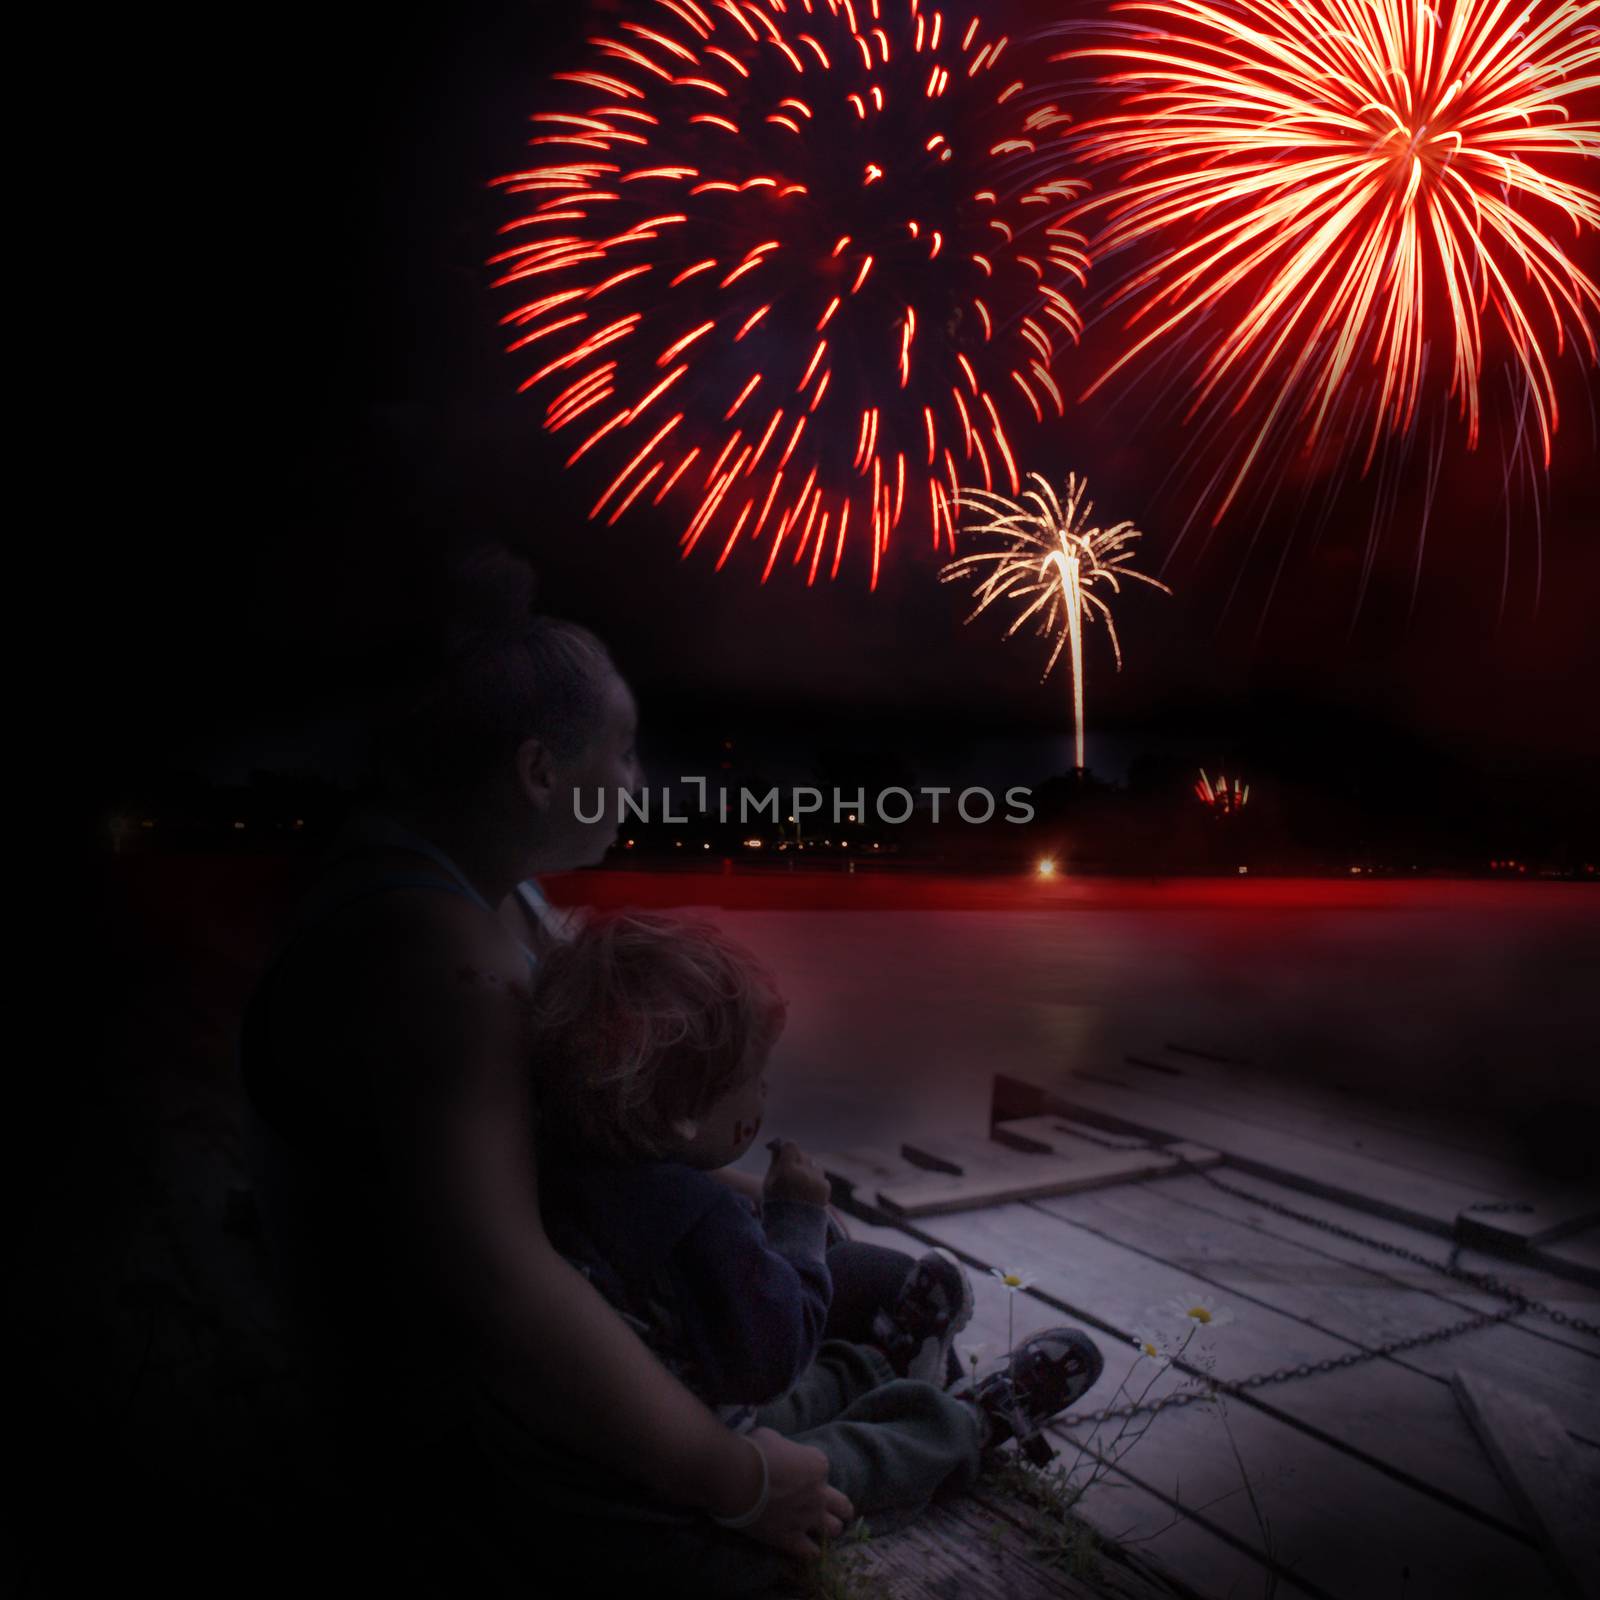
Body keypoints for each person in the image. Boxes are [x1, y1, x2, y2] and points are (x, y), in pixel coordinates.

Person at [238, 550, 851, 1587]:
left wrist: (752, 1199)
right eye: (619, 754)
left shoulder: (493, 897)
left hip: (541, 1320)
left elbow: (591, 1137)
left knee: (829, 1261)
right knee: (797, 1365)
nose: (635, 782)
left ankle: (834, 1378)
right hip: (449, 1436)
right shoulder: (441, 957)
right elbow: (496, 1276)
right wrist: (734, 1477)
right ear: (537, 771)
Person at [524, 909, 1107, 1583]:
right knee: (841, 1460)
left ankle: (878, 1366)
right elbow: (774, 1354)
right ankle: (965, 1426)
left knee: (768, 1409)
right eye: (756, 1080)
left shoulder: (555, 1171)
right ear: (684, 1116)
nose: (765, 1095)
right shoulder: (702, 1219)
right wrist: (796, 1219)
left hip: (596, 1460)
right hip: (667, 1519)